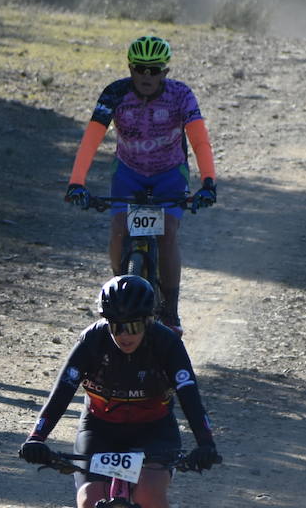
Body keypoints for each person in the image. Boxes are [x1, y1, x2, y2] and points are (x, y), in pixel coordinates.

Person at [18, 275, 220, 508]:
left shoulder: (165, 343)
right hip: (101, 429)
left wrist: (205, 442)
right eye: (115, 325)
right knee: (89, 504)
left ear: (148, 322)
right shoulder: (93, 340)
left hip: (153, 431)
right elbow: (62, 390)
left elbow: (190, 394)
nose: (123, 334)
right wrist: (37, 437)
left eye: (132, 325)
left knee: (149, 496)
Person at [63, 35, 217, 337]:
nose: (147, 76)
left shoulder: (180, 95)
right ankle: (119, 298)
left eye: (154, 69)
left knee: (167, 233)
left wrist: (208, 182)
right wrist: (76, 182)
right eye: (140, 69)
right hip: (129, 171)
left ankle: (171, 312)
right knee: (119, 229)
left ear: (165, 71)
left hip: (170, 173)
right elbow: (92, 139)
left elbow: (199, 140)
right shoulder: (115, 93)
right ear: (130, 68)